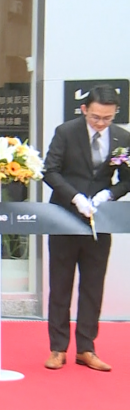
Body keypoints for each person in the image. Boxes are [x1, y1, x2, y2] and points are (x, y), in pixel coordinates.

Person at [42, 84, 130, 372]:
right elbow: (50, 171)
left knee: (93, 284)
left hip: (99, 220)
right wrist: (75, 197)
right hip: (65, 217)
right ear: (84, 109)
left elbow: (128, 178)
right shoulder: (66, 132)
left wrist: (110, 194)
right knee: (60, 284)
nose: (101, 123)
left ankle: (86, 348)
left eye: (107, 118)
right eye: (95, 117)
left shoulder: (122, 138)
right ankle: (58, 348)